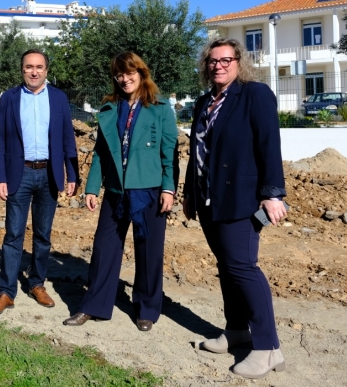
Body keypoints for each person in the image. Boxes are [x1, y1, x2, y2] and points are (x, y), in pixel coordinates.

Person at [183, 38, 288, 379]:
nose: (219, 65)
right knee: (227, 267)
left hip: (242, 200)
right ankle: (237, 331)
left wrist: (273, 194)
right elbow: (197, 153)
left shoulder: (254, 94)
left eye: (226, 60)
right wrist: (189, 194)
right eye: (213, 61)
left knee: (243, 267)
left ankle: (268, 347)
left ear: (238, 62)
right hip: (210, 200)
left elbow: (269, 144)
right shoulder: (204, 102)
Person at [62, 52, 178, 332]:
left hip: (149, 191)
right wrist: (92, 187)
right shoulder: (110, 108)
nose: (125, 79)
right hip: (115, 191)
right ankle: (93, 306)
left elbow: (169, 152)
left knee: (149, 252)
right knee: (104, 249)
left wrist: (168, 188)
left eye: (129, 73)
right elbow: (102, 152)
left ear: (141, 73)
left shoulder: (160, 108)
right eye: (119, 75)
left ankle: (146, 309)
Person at [0, 49, 79, 314]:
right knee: (13, 235)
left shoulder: (59, 98)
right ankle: (6, 292)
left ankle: (37, 284)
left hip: (49, 174)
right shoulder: (10, 98)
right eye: (29, 67)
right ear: (22, 70)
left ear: (46, 70)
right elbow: (1, 140)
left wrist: (72, 174)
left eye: (39, 67)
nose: (34, 71)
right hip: (19, 174)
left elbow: (67, 138)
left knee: (43, 236)